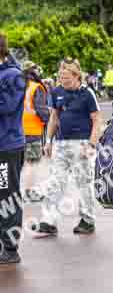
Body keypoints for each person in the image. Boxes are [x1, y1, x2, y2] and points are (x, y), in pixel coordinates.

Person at [37, 58, 101, 237]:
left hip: (82, 144)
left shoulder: (87, 94)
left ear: (77, 76)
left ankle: (87, 220)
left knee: (83, 183)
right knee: (56, 181)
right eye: (61, 77)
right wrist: (48, 141)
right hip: (61, 144)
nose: (63, 81)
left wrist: (91, 144)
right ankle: (49, 221)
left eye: (66, 78)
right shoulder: (56, 91)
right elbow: (53, 118)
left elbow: (97, 120)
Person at [0, 34, 26, 265]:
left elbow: (6, 107)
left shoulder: (14, 76)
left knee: (6, 195)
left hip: (7, 147)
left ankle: (10, 247)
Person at [21, 63, 50, 202]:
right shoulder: (36, 87)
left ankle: (11, 191)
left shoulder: (20, 86)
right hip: (33, 129)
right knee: (32, 162)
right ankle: (29, 191)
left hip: (17, 130)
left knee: (20, 163)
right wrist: (49, 117)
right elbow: (41, 110)